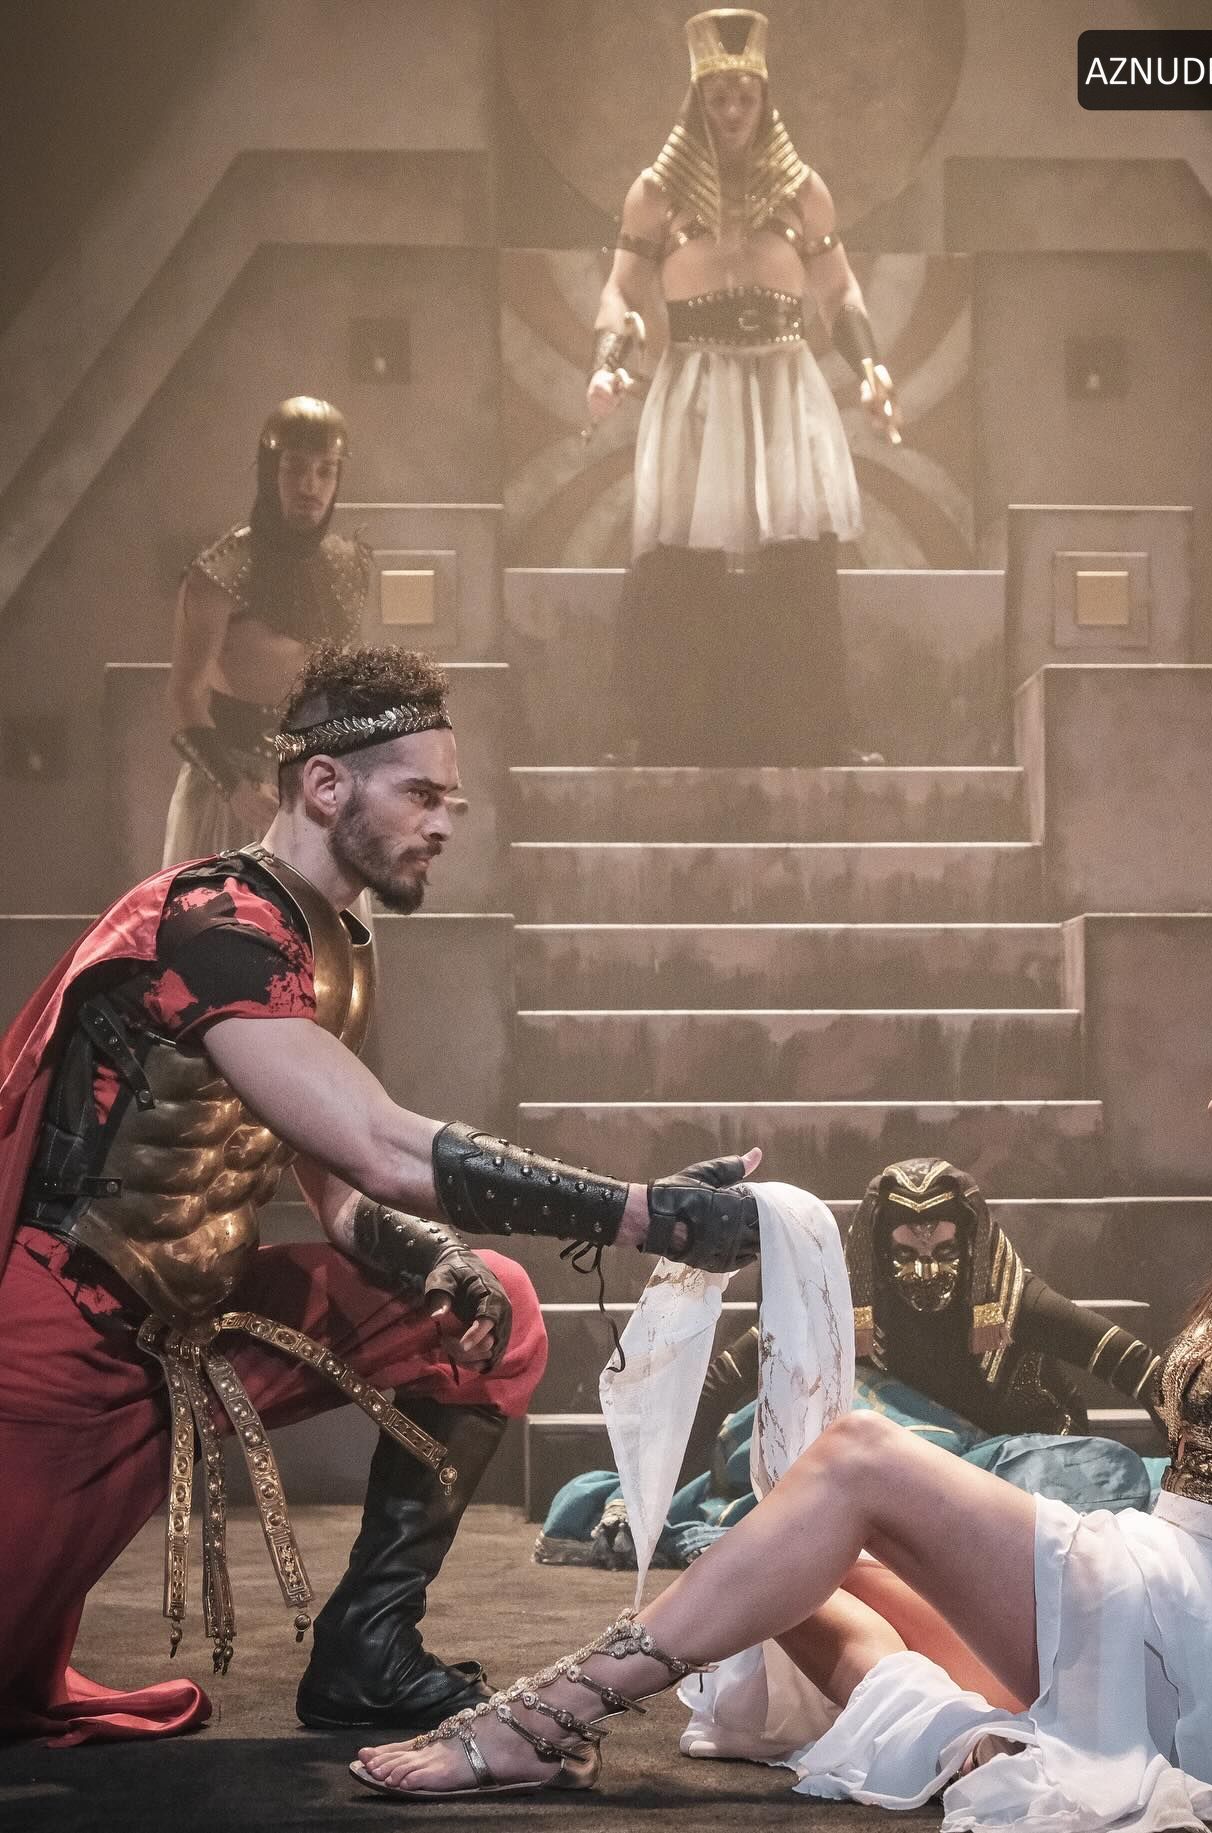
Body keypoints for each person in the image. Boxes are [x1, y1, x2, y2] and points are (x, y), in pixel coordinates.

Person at [354, 976, 1212, 1830]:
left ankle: (544, 1720)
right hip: (1171, 1589)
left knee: (858, 1456)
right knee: (785, 1569)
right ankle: (970, 1744)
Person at [0, 643, 760, 1746]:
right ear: (325, 785)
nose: (445, 823)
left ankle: (367, 1649)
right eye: (421, 794)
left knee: (494, 1306)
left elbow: (346, 1193)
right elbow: (382, 1145)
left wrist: (436, 1262)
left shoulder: (333, 949)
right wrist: (642, 1213)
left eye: (451, 799)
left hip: (198, 1328)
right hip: (65, 1344)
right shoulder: (217, 926)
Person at [538, 1157, 1165, 1569]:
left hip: (1007, 1464)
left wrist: (1201, 1470)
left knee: (1091, 1473)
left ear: (970, 1248)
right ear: (879, 1253)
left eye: (945, 1252)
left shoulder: (1011, 1296)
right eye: (907, 1252)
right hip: (894, 1469)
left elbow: (1141, 1369)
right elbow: (720, 1382)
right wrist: (646, 1497)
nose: (926, 1269)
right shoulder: (843, 1295)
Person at [589, 7, 897, 766]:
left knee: (798, 553)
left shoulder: (804, 193)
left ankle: (812, 731)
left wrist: (869, 365)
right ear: (698, 100)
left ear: (765, 98)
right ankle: (666, 732)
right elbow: (621, 291)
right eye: (718, 96)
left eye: (745, 96)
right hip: (695, 387)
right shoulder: (656, 195)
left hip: (783, 386)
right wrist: (606, 358)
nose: (732, 112)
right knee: (680, 557)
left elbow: (839, 292)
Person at [163, 395, 370, 863]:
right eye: (295, 468)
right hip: (235, 792)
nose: (310, 486)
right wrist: (234, 789)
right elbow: (184, 695)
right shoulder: (219, 574)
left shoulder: (347, 567)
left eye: (325, 471)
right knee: (229, 911)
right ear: (270, 471)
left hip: (317, 792)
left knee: (323, 915)